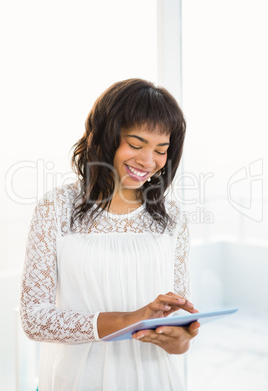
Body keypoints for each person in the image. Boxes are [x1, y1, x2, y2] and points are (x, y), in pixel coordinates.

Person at [20, 78, 200, 391]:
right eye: (136, 144)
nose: (148, 162)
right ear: (105, 136)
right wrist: (130, 319)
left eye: (161, 150)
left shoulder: (173, 219)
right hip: (76, 381)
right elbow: (34, 319)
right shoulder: (56, 207)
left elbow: (173, 323)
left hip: (154, 380)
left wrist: (179, 340)